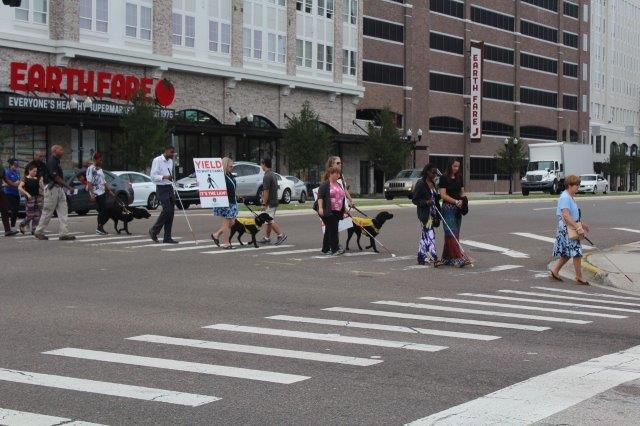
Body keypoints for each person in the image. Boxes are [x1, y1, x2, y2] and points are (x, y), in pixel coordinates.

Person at [549, 175, 590, 285]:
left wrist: (583, 225)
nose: (578, 187)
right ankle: (579, 276)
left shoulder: (569, 196)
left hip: (570, 226)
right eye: (576, 185)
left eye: (578, 185)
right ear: (569, 185)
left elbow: (573, 215)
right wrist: (578, 227)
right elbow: (566, 216)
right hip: (567, 228)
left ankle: (555, 271)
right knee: (576, 252)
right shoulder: (565, 197)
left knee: (566, 253)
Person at [34, 145, 76, 240]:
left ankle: (64, 233)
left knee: (63, 211)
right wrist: (68, 186)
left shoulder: (56, 161)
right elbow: (55, 177)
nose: (62, 151)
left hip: (59, 189)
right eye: (61, 149)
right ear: (55, 150)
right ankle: (39, 231)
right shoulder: (52, 161)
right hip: (52, 189)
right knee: (48, 211)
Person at [438, 159, 467, 267]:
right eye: (454, 166)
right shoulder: (443, 178)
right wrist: (455, 201)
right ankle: (457, 257)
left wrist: (463, 200)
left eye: (458, 166)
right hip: (447, 208)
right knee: (451, 233)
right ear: (450, 166)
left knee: (456, 233)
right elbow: (443, 195)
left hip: (458, 208)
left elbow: (462, 191)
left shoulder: (459, 177)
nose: (456, 168)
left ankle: (447, 257)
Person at [413, 163, 442, 266]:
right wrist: (426, 202)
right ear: (427, 172)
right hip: (425, 215)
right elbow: (415, 200)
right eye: (433, 172)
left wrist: (438, 197)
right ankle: (433, 258)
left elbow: (435, 199)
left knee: (425, 235)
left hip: (433, 214)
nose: (435, 174)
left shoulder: (433, 183)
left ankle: (421, 257)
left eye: (436, 173)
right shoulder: (420, 183)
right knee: (430, 234)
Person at [149, 146, 179, 244]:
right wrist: (165, 177)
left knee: (171, 212)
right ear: (165, 151)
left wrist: (172, 185)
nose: (172, 154)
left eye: (173, 153)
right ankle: (154, 230)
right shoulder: (157, 160)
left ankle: (167, 237)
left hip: (169, 187)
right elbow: (153, 176)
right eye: (171, 152)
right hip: (161, 188)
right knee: (166, 210)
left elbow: (170, 176)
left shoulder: (170, 162)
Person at [317, 165, 346, 255]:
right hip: (328, 210)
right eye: (336, 173)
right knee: (333, 229)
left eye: (339, 173)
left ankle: (325, 249)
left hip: (338, 210)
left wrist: (344, 209)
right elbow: (320, 197)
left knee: (329, 229)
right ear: (330, 174)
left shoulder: (339, 184)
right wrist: (321, 208)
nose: (338, 175)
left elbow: (342, 196)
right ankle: (335, 249)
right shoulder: (325, 184)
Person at [258, 157, 287, 245]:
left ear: (264, 164)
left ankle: (281, 235)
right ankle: (267, 238)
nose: (261, 166)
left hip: (270, 202)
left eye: (261, 164)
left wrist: (263, 203)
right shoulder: (272, 174)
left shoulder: (267, 176)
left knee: (269, 220)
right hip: (274, 201)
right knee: (268, 221)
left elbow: (266, 191)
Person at [211, 157, 238, 249]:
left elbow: (232, 187)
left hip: (232, 201)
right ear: (225, 166)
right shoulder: (221, 176)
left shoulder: (229, 175)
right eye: (230, 166)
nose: (232, 167)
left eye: (232, 166)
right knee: (226, 224)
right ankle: (226, 243)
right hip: (225, 202)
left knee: (232, 222)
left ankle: (216, 234)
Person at [86, 152, 115, 235]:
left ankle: (100, 227)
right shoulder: (91, 169)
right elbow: (89, 182)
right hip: (96, 193)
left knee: (104, 210)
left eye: (102, 160)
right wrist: (92, 195)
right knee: (102, 210)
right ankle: (99, 227)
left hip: (102, 192)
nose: (101, 161)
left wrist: (109, 190)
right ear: (95, 159)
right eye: (100, 160)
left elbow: (103, 181)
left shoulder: (100, 170)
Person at [18, 164, 43, 235]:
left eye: (36, 171)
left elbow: (41, 188)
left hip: (37, 198)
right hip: (30, 198)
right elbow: (19, 187)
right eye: (34, 171)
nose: (35, 173)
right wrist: (27, 194)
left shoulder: (36, 179)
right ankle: (22, 224)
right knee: (30, 215)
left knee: (37, 215)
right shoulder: (25, 178)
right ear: (29, 170)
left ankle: (34, 229)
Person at [0, 163, 18, 237]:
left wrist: (15, 185)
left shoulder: (1, 167)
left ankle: (7, 230)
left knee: (5, 210)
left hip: (0, 191)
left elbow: (6, 179)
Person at [4, 159, 21, 231]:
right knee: (7, 211)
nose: (16, 166)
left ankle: (13, 226)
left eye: (17, 165)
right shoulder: (7, 172)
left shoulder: (17, 172)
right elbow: (7, 183)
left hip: (16, 193)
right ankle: (7, 227)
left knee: (15, 210)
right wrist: (15, 183)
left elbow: (19, 181)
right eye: (15, 165)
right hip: (8, 194)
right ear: (11, 165)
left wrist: (18, 183)